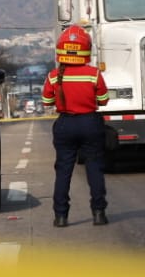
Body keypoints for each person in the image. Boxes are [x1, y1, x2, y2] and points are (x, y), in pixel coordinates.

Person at [40, 25, 109, 227]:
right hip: (90, 123)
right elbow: (103, 100)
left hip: (65, 125)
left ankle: (61, 216)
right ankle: (99, 213)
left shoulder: (54, 76)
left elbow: (46, 102)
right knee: (94, 168)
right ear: (86, 49)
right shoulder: (94, 74)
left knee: (63, 171)